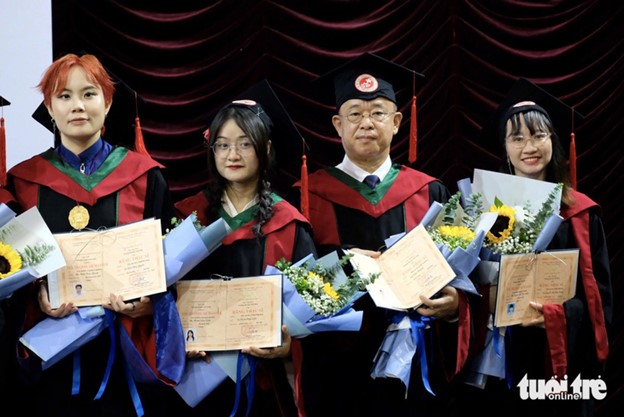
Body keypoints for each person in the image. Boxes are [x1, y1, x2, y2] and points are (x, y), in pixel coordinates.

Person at [287, 52, 473, 417]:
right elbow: (296, 285)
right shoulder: (307, 195)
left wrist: (455, 307)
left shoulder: (430, 191)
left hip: (415, 363)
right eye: (354, 113)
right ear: (337, 124)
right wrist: (345, 262)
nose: (366, 123)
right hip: (336, 369)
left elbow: (463, 280)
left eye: (378, 112)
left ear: (398, 121)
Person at [4, 53, 185, 417]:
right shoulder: (23, 182)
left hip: (125, 355)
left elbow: (172, 265)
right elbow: (13, 274)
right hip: (52, 357)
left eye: (89, 94)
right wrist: (37, 294)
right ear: (50, 109)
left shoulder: (145, 177)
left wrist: (152, 301)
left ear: (108, 101)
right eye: (64, 96)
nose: (78, 106)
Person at [453, 78, 612, 417]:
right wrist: (485, 298)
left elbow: (599, 300)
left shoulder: (580, 214)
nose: (530, 146)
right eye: (517, 138)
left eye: (539, 135)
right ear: (505, 148)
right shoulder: (480, 211)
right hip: (495, 363)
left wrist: (557, 315)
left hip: (554, 363)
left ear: (553, 141)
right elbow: (458, 282)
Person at [172, 79, 317, 417]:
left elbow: (310, 314)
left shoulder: (289, 225)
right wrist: (176, 341)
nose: (232, 155)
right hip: (197, 379)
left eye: (244, 144)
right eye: (222, 145)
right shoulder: (186, 218)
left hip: (264, 384)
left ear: (265, 149)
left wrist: (287, 347)